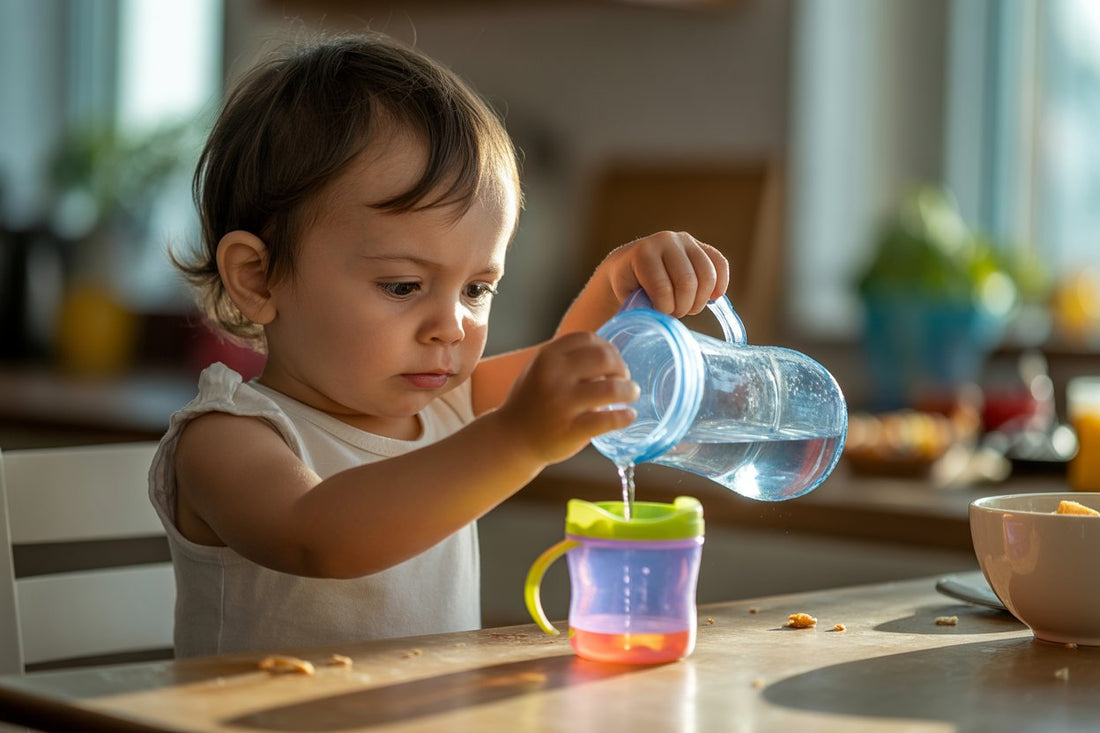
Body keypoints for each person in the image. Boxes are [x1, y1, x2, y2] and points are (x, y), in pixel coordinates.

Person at [150, 30, 729, 658]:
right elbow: (320, 538)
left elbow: (579, 368)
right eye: (403, 285)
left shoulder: (447, 407)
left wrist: (619, 281)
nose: (450, 325)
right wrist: (516, 438)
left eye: (478, 288)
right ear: (258, 279)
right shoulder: (226, 437)